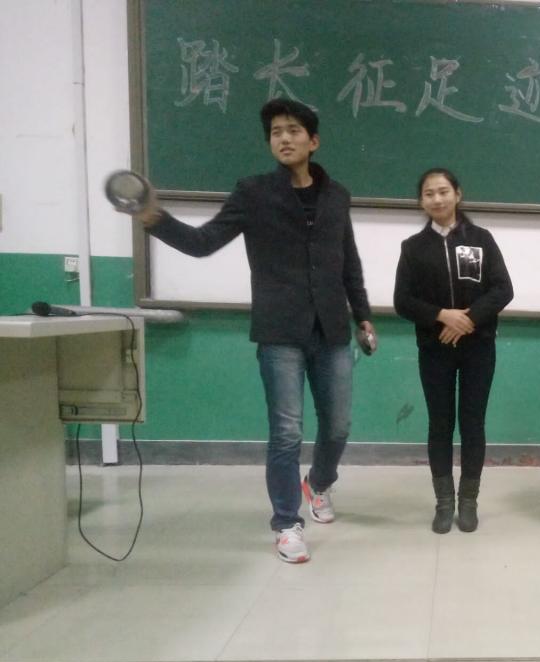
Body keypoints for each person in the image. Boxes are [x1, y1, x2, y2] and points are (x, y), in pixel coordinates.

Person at [121, 98, 375, 563]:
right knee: (286, 433)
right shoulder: (253, 192)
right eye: (276, 132)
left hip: (331, 329)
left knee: (338, 426)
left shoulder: (337, 196)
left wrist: (363, 315)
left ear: (313, 141)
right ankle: (287, 523)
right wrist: (154, 217)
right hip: (279, 330)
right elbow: (203, 242)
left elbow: (349, 261)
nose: (284, 138)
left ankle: (319, 483)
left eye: (293, 130)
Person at [394, 168, 513, 533]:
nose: (437, 199)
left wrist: (468, 319)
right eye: (429, 193)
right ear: (421, 201)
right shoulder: (413, 247)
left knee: (473, 423)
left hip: (478, 348)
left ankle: (468, 502)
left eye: (443, 191)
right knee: (440, 424)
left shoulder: (481, 239)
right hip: (435, 348)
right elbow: (402, 300)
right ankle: (444, 503)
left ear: (458, 194)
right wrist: (442, 316)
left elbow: (503, 289)